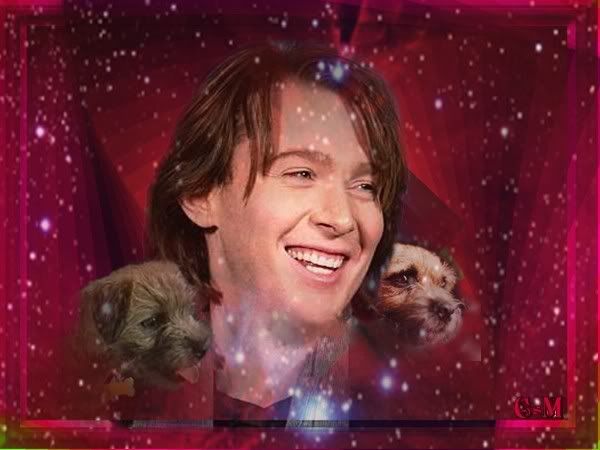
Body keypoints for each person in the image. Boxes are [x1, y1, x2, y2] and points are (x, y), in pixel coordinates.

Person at [147, 41, 407, 423]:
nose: (342, 218)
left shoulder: (417, 405)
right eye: (301, 173)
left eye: (365, 186)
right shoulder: (112, 398)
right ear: (199, 194)